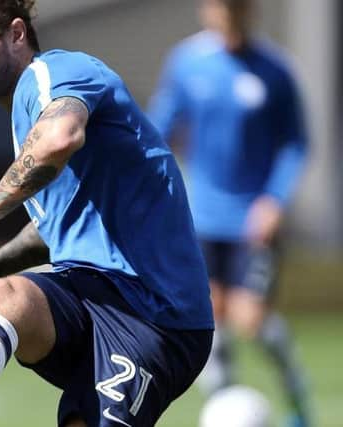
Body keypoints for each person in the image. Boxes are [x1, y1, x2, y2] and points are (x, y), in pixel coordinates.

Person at [0, 1, 214, 426]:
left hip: (155, 317)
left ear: (15, 34)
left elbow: (60, 137)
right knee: (6, 295)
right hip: (88, 297)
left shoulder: (56, 73)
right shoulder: (26, 110)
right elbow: (58, 219)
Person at [148, 1, 311, 426]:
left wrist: (274, 199)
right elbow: (159, 128)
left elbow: (296, 144)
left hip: (253, 218)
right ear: (207, 11)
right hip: (200, 216)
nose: (229, 15)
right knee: (210, 317)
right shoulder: (187, 62)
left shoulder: (275, 70)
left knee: (250, 317)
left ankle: (295, 387)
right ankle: (224, 405)